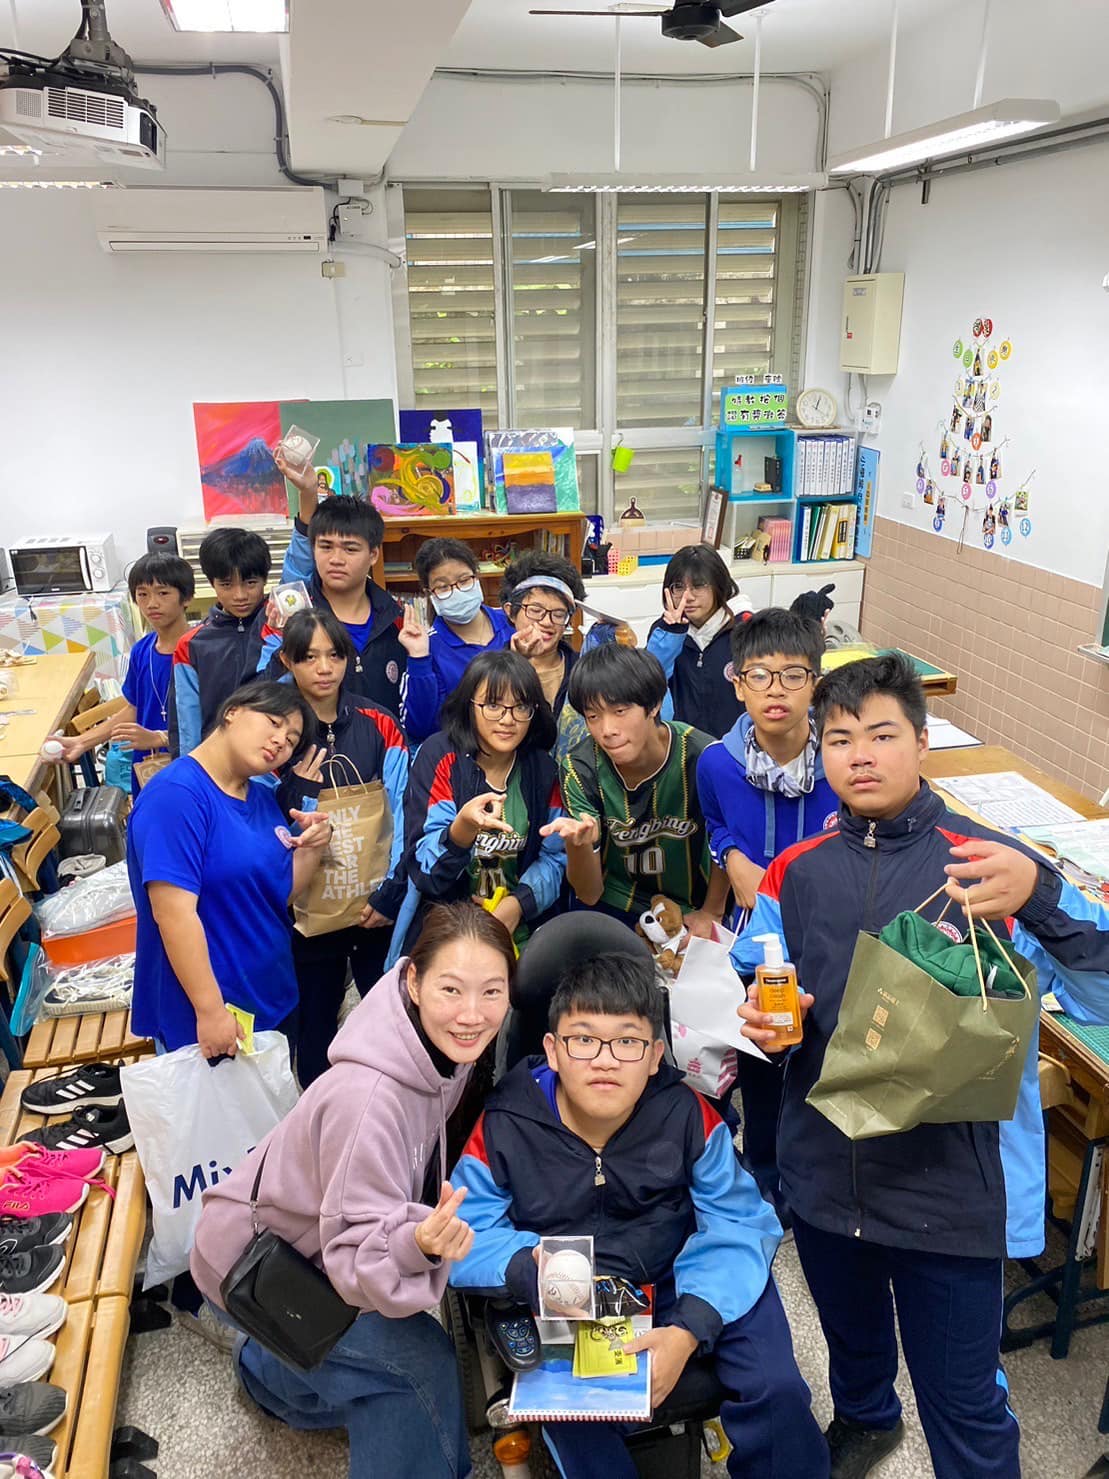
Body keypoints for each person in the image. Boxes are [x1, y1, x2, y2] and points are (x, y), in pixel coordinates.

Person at [733, 653, 1109, 1479]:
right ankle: (867, 1418)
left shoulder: (989, 864)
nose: (860, 755)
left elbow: (1100, 990)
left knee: (964, 1398)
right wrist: (761, 1015)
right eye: (839, 739)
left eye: (881, 734)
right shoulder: (796, 869)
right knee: (851, 1342)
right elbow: (757, 963)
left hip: (948, 1188)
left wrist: (1039, 895)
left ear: (922, 741)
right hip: (825, 1169)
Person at [449, 951, 829, 1479]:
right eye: (584, 1040)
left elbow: (741, 1220)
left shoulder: (686, 1113)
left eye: (627, 1042)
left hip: (682, 1273)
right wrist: (523, 1265)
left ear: (654, 1056)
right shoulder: (505, 1125)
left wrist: (689, 1327)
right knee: (576, 1419)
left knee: (778, 1389)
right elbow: (462, 1233)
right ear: (552, 1050)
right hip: (572, 1289)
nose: (605, 1060)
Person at [190, 902, 515, 1479]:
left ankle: (266, 1370)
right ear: (412, 982)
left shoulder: (428, 1042)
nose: (472, 1014)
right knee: (416, 1369)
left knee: (363, 1364)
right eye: (451, 989)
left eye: (492, 992)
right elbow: (353, 1260)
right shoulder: (370, 1099)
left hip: (290, 1235)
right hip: (252, 1265)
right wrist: (417, 1243)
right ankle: (271, 1358)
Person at [695, 608, 838, 1219]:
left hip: (830, 937)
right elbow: (715, 823)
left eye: (792, 675)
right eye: (759, 675)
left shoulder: (840, 761)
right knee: (761, 1059)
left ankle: (820, 1180)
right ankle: (766, 1175)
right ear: (737, 683)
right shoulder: (716, 764)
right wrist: (731, 855)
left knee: (824, 1055)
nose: (775, 690)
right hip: (759, 945)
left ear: (816, 683)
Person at [127, 680, 332, 1059]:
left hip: (272, 1002)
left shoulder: (262, 797)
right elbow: (173, 914)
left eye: (291, 741)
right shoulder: (177, 796)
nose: (280, 742)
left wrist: (314, 845)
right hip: (211, 1017)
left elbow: (278, 893)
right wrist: (210, 1011)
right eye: (273, 722)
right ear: (232, 712)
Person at [275, 609, 411, 1087]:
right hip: (307, 914)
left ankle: (379, 1104)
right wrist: (297, 790)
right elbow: (263, 821)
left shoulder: (379, 722)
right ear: (287, 661)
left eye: (334, 655)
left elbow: (403, 809)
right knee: (313, 1026)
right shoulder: (275, 730)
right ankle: (318, 1109)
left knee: (386, 1019)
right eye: (308, 657)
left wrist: (392, 891)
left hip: (373, 905)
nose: (324, 668)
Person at [390, 650, 566, 958]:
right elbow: (425, 872)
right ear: (469, 705)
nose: (508, 720)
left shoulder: (543, 770)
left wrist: (518, 904)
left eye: (521, 707)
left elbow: (554, 858)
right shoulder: (440, 757)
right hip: (444, 932)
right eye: (493, 705)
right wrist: (461, 831)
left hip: (519, 933)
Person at [554, 644, 728, 933]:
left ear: (655, 704)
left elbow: (727, 840)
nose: (607, 730)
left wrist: (712, 911)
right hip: (615, 905)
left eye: (620, 711)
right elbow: (589, 894)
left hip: (695, 906)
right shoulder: (579, 768)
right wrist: (581, 845)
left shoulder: (705, 757)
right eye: (593, 716)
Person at [270, 455, 407, 715]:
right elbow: (265, 694)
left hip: (384, 740)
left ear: (373, 555)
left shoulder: (396, 620)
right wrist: (285, 644)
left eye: (350, 549)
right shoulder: (291, 614)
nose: (336, 559)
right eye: (325, 547)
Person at [49, 553, 195, 793]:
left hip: (193, 768)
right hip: (147, 766)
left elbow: (216, 723)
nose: (152, 603)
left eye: (163, 593)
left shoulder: (200, 650)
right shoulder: (142, 650)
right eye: (142, 594)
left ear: (187, 597)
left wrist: (161, 738)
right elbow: (134, 709)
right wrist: (81, 742)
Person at [399, 538, 513, 743]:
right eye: (443, 587)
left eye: (464, 580)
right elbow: (419, 728)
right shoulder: (429, 647)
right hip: (461, 752)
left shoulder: (511, 624)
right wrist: (419, 659)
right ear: (429, 594)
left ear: (477, 577)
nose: (457, 591)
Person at [169, 528, 271, 757]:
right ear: (211, 583)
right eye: (226, 585)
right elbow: (186, 724)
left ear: (265, 579)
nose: (240, 595)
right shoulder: (191, 646)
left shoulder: (283, 629)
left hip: (281, 759)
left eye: (250, 583)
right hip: (219, 763)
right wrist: (189, 771)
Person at [645, 544, 751, 739]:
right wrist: (671, 634)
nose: (688, 597)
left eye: (699, 585)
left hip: (734, 745)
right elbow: (647, 683)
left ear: (719, 585)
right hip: (683, 745)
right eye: (679, 587)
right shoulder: (663, 632)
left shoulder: (744, 630)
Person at [500, 550, 585, 723]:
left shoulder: (582, 670)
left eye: (559, 614)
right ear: (510, 612)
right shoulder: (491, 672)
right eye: (535, 610)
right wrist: (518, 662)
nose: (547, 622)